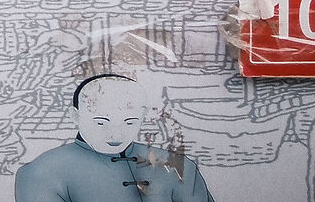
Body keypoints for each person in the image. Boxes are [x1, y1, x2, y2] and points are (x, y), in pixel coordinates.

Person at [14, 74, 213, 202]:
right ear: (75, 116)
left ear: (142, 117)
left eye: (130, 122)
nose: (116, 134)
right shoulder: (40, 173)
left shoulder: (177, 166)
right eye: (101, 122)